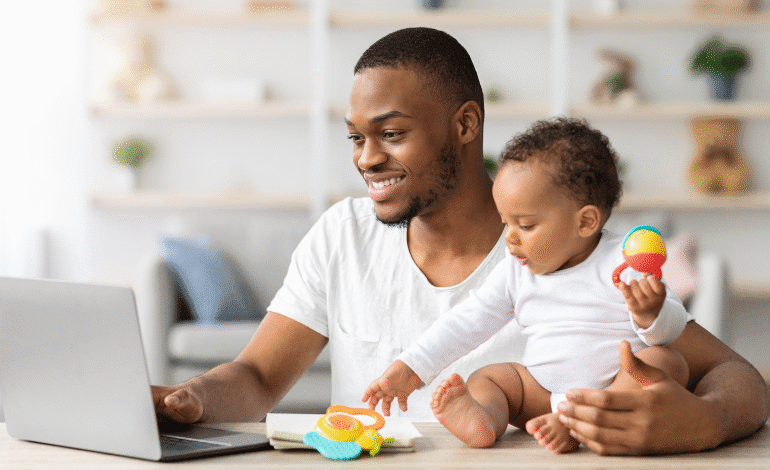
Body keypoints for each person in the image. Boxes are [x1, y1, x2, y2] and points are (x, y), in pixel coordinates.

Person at [151, 27, 770, 455]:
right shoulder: (342, 236)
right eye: (356, 138)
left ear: (466, 124)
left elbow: (740, 378)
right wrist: (190, 400)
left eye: (390, 134)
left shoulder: (561, 248)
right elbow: (258, 377)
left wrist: (705, 422)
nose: (367, 159)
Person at [362, 118, 690, 453]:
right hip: (542, 396)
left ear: (585, 221)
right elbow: (466, 322)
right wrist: (412, 367)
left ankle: (574, 422)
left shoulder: (621, 262)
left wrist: (652, 313)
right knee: (492, 378)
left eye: (526, 225)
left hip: (612, 397)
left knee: (665, 361)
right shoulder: (516, 272)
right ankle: (484, 421)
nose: (510, 238)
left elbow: (671, 331)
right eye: (506, 222)